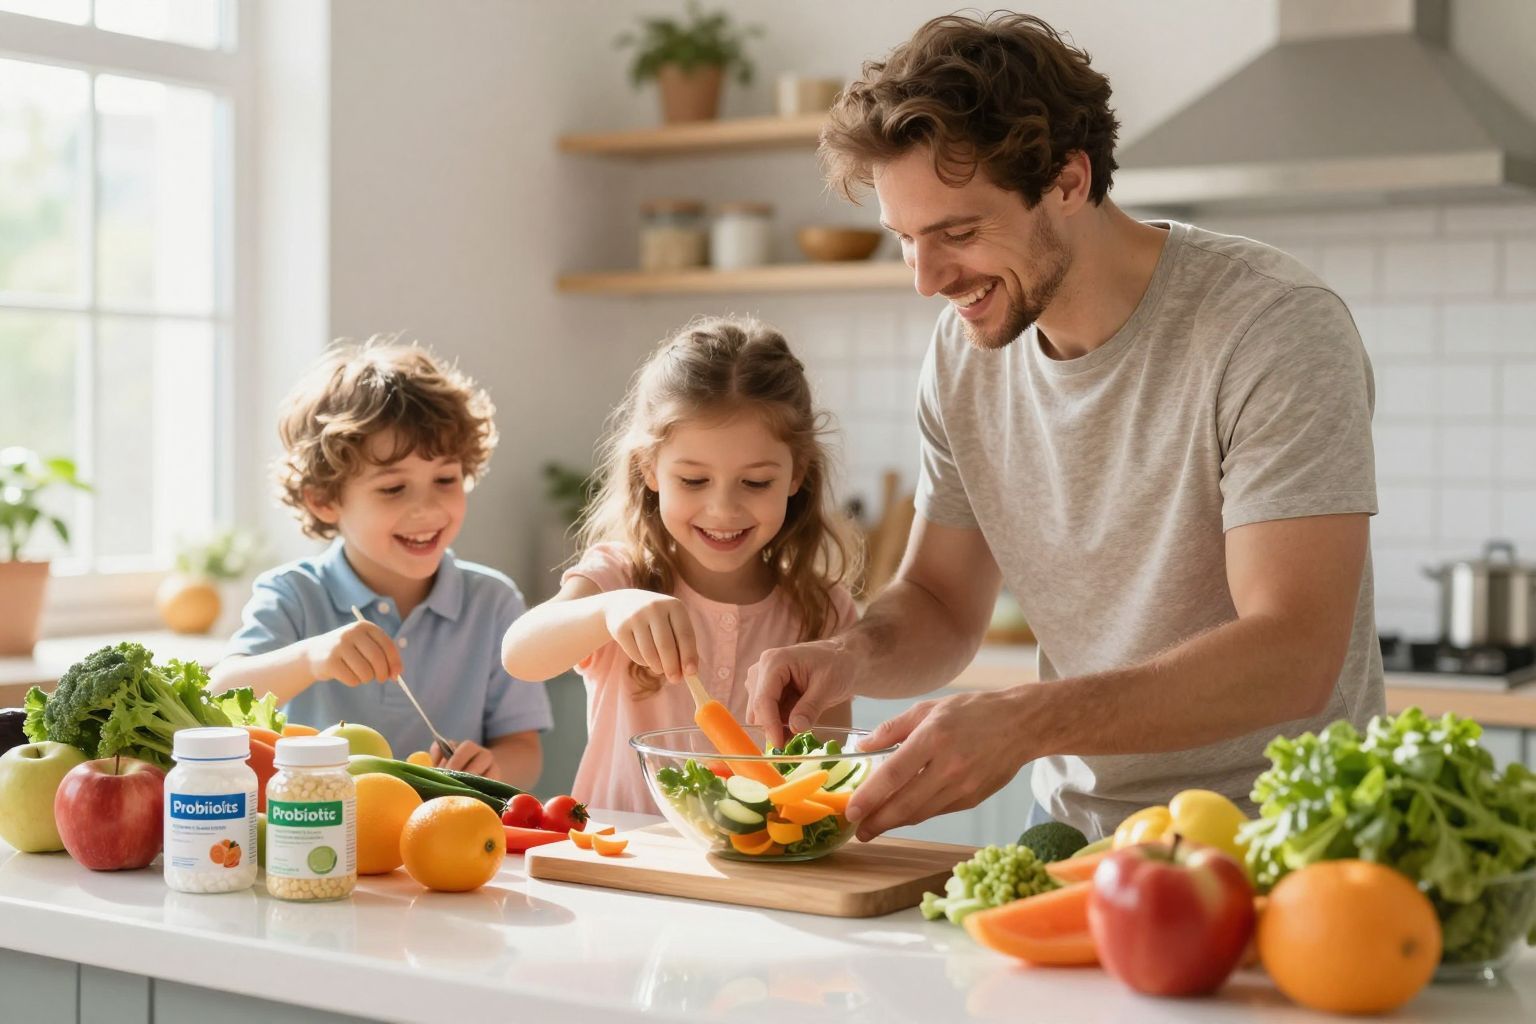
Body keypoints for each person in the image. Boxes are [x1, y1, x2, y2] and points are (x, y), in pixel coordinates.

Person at [747, 12, 1383, 842]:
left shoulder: (1271, 326)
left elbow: (1293, 652)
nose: (927, 279)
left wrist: (1023, 720)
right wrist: (850, 656)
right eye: (905, 240)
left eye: (959, 233)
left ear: (1070, 182)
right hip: (1079, 829)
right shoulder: (966, 350)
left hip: (1291, 835)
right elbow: (941, 599)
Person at [502, 316, 860, 813]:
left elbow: (827, 771)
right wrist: (609, 610)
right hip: (620, 866)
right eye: (693, 481)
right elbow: (520, 654)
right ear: (650, 469)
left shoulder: (824, 613)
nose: (724, 510)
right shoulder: (618, 576)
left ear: (797, 473)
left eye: (755, 483)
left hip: (757, 873)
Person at [212, 338, 551, 787]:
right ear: (324, 499)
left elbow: (523, 749)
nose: (428, 509)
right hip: (315, 832)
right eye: (393, 489)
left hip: (444, 840)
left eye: (446, 479)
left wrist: (493, 768)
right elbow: (219, 698)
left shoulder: (493, 602)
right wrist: (310, 658)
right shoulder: (293, 595)